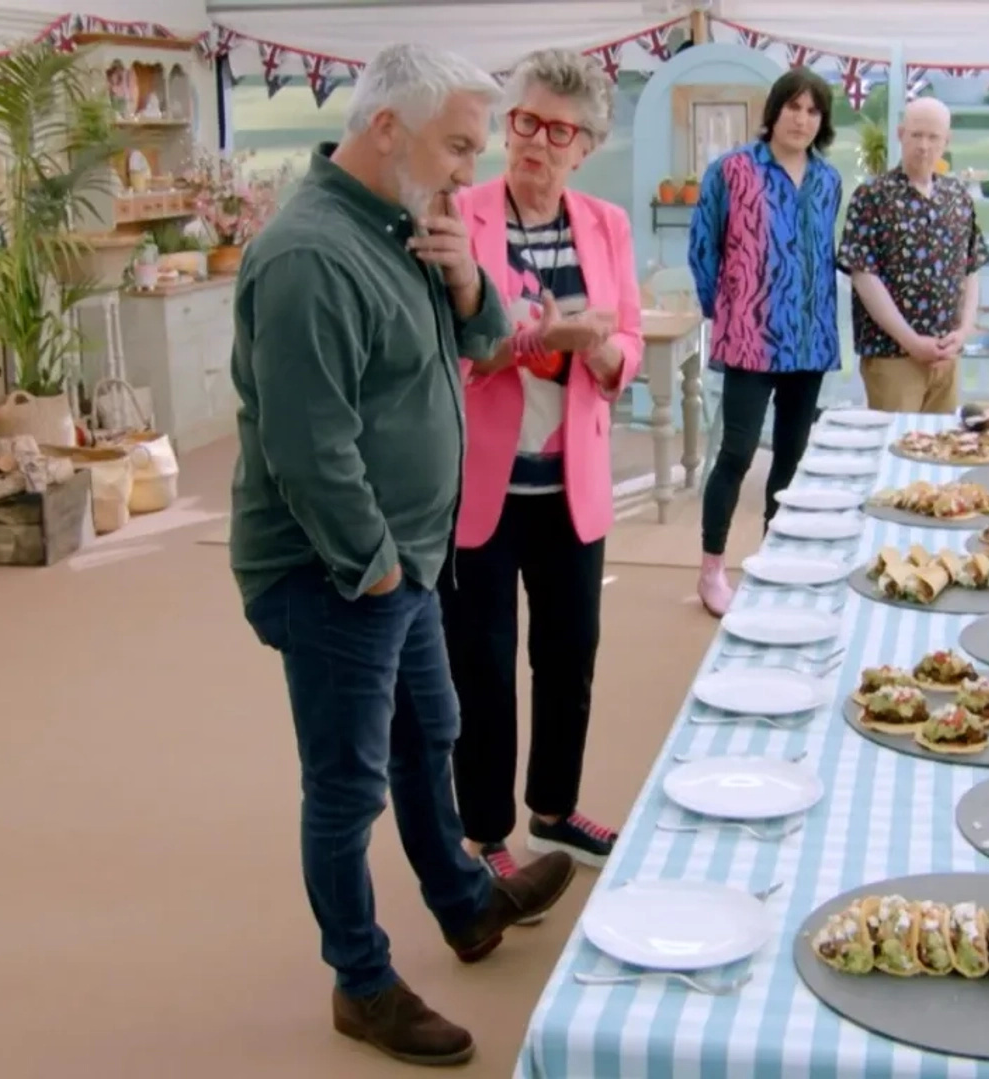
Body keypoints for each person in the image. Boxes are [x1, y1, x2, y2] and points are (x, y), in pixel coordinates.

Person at [227, 43, 578, 1069]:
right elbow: (308, 447)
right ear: (387, 128)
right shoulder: (308, 257)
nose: (473, 168)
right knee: (346, 783)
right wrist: (375, 567)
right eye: (460, 144)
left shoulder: (408, 227)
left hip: (408, 555)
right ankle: (361, 978)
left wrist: (471, 282)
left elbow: (484, 349)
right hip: (339, 569)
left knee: (432, 731)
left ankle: (467, 904)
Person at [443, 49, 641, 881]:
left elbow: (626, 340)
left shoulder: (605, 226)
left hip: (571, 486)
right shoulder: (460, 215)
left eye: (558, 131)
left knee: (569, 656)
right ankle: (487, 838)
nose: (535, 143)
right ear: (506, 123)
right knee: (480, 667)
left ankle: (554, 813)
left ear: (584, 144)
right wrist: (535, 341)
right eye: (524, 121)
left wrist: (595, 353)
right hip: (482, 487)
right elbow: (449, 356)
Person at [688, 67, 843, 617]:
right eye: (793, 107)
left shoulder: (829, 180)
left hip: (811, 336)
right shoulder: (731, 171)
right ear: (773, 111)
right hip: (749, 337)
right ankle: (712, 568)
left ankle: (775, 562)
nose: (801, 119)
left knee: (793, 457)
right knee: (736, 452)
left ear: (821, 122)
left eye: (813, 111)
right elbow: (703, 250)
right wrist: (726, 310)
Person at [838, 96, 988, 414]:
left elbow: (971, 267)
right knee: (895, 451)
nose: (924, 146)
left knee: (942, 453)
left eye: (933, 137)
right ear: (901, 134)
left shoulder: (957, 196)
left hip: (947, 356)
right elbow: (864, 276)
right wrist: (911, 341)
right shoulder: (873, 196)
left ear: (946, 141)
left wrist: (963, 331)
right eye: (916, 135)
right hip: (893, 355)